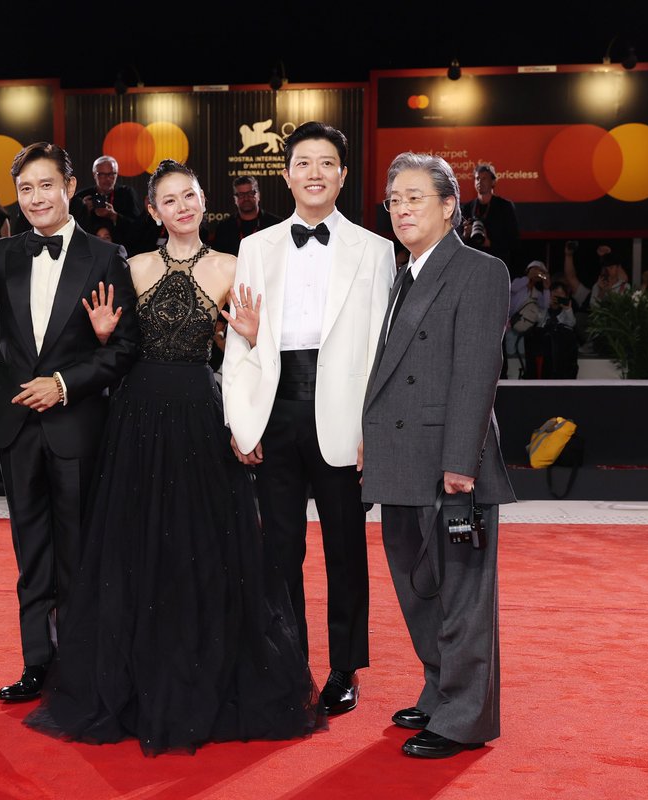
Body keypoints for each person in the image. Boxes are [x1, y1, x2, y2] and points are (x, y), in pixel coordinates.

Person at [26, 159, 325, 755]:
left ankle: (203, 669)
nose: (182, 206)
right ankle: (136, 676)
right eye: (169, 199)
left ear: (202, 201)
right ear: (155, 213)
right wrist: (107, 337)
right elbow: (113, 349)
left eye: (190, 195)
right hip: (136, 418)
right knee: (139, 546)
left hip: (199, 412)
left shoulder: (233, 268)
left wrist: (242, 341)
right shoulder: (129, 267)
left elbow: (245, 359)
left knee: (206, 546)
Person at [0, 144, 139, 703]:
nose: (37, 197)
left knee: (77, 549)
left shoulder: (106, 255)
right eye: (26, 189)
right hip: (16, 425)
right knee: (31, 552)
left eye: (47, 185)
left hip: (77, 424)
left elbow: (123, 348)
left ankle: (80, 662)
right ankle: (36, 664)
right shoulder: (4, 252)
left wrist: (66, 384)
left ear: (70, 187)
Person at [222, 121, 394, 718]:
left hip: (343, 414)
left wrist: (376, 430)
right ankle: (287, 659)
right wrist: (242, 424)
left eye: (327, 163)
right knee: (281, 550)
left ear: (343, 175)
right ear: (287, 173)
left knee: (346, 547)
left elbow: (381, 349)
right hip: (276, 411)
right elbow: (240, 345)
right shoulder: (256, 247)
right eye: (303, 163)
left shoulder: (375, 250)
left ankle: (345, 667)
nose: (314, 172)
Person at [363, 152, 515, 758]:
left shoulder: (481, 270)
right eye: (394, 199)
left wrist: (461, 464)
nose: (401, 209)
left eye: (414, 198)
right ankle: (440, 688)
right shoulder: (402, 275)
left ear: (450, 205)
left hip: (451, 464)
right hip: (399, 457)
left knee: (462, 594)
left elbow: (477, 373)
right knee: (418, 587)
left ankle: (464, 718)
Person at [460, 162, 520, 278]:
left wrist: (490, 243)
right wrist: (465, 235)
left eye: (484, 178)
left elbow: (514, 241)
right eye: (477, 178)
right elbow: (459, 242)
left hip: (497, 266)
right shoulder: (467, 208)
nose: (479, 182)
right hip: (473, 268)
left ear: (493, 182)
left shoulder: (505, 206)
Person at [70, 155, 142, 247]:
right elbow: (70, 228)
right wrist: (83, 210)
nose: (107, 179)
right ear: (94, 174)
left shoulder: (126, 194)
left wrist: (113, 215)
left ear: (117, 174)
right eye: (102, 174)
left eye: (111, 174)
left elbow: (137, 227)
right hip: (89, 247)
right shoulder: (82, 196)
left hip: (120, 246)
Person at [210, 176, 283, 255]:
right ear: (235, 198)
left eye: (250, 193)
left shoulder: (276, 225)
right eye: (241, 194)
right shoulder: (224, 228)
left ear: (258, 195)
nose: (246, 198)